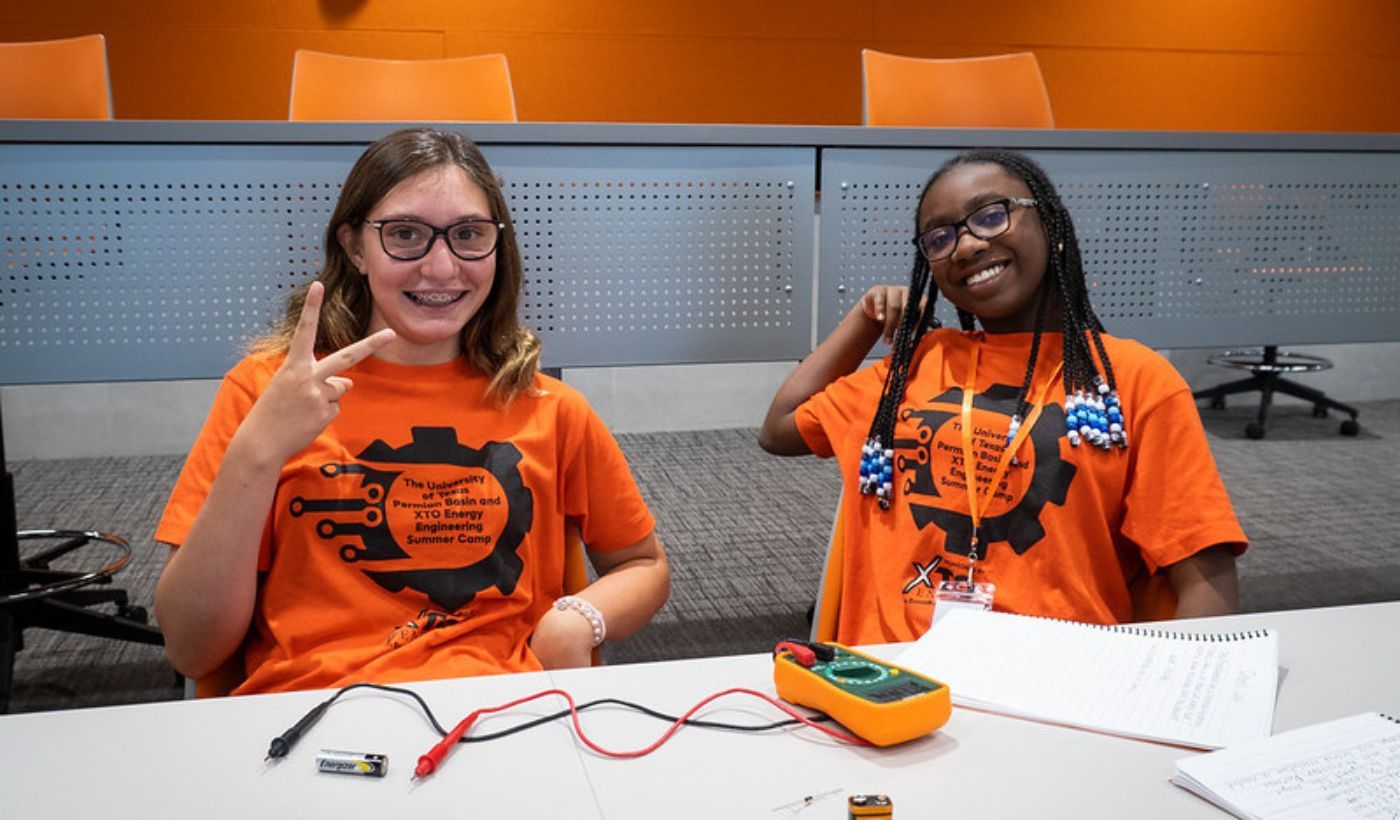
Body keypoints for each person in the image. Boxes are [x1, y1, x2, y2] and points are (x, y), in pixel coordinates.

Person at [154, 127, 669, 694]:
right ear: (355, 247)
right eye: (405, 234)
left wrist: (580, 621)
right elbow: (191, 646)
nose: (443, 268)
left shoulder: (550, 407)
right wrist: (257, 453)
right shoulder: (268, 393)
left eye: (469, 235)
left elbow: (642, 566)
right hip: (312, 713)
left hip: (498, 710)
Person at [760, 149, 1243, 645]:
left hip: (1058, 677)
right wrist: (863, 320)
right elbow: (779, 428)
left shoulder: (1132, 377)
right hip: (896, 677)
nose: (966, 246)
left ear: (1050, 223)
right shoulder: (920, 362)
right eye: (940, 238)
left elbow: (1203, 573)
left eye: (991, 217)